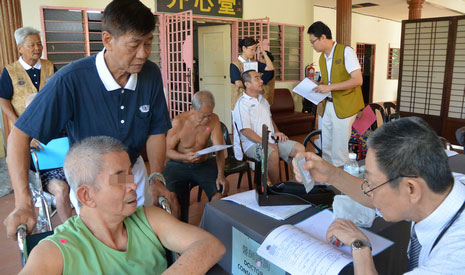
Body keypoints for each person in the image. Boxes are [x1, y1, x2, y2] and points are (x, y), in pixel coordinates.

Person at [3, 0, 177, 239]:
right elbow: (19, 137)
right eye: (135, 44)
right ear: (107, 39)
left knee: (141, 239)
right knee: (102, 243)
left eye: (148, 43)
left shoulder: (150, 74)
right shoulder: (72, 79)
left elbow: (156, 130)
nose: (143, 54)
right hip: (92, 178)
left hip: (131, 170)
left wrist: (156, 176)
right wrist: (23, 203)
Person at [19, 136, 225, 274]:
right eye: (119, 178)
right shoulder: (57, 250)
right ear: (87, 195)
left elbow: (210, 245)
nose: (133, 184)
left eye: (130, 174)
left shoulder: (148, 219)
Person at [293, 117, 465, 274]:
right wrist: (331, 175)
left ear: (411, 189)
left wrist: (360, 246)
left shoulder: (454, 259)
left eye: (372, 183)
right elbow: (378, 196)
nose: (368, 191)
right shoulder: (440, 185)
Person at [163, 91, 230, 222]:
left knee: (220, 192)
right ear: (192, 109)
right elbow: (167, 151)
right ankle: (179, 232)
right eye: (203, 116)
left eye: (209, 115)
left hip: (203, 164)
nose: (206, 119)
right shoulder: (178, 123)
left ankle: (211, 228)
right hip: (178, 164)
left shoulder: (213, 119)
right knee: (173, 199)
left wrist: (221, 175)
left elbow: (219, 150)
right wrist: (185, 157)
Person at [233, 70, 305, 185]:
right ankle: (277, 189)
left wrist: (277, 131)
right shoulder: (242, 104)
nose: (261, 81)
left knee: (299, 149)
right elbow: (245, 131)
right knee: (272, 153)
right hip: (252, 145)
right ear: (247, 84)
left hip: (271, 140)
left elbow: (270, 119)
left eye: (260, 78)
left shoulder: (263, 100)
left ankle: (296, 185)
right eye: (256, 78)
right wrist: (266, 143)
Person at [307, 21, 364, 167]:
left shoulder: (346, 51)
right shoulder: (322, 58)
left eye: (313, 41)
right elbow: (327, 82)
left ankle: (341, 185)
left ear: (323, 37)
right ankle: (328, 183)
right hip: (327, 106)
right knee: (326, 147)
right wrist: (317, 86)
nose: (312, 45)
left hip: (344, 106)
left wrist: (330, 87)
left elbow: (357, 80)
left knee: (339, 150)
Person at [26, 94, 72, 223]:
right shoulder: (25, 133)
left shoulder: (63, 124)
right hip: (46, 174)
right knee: (61, 189)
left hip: (71, 166)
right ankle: (69, 229)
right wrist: (27, 145)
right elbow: (26, 165)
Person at [0, 27, 55, 127]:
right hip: (23, 127)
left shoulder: (49, 66)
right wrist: (17, 123)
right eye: (32, 45)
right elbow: (3, 99)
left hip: (49, 124)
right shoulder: (10, 71)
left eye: (39, 44)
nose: (37, 48)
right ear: (20, 48)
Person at [230, 37, 275, 109]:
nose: (254, 52)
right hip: (240, 101)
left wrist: (263, 52)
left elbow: (270, 68)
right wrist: (254, 87)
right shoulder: (235, 64)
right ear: (244, 48)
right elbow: (238, 83)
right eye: (251, 50)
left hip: (254, 101)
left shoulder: (255, 62)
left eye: (255, 50)